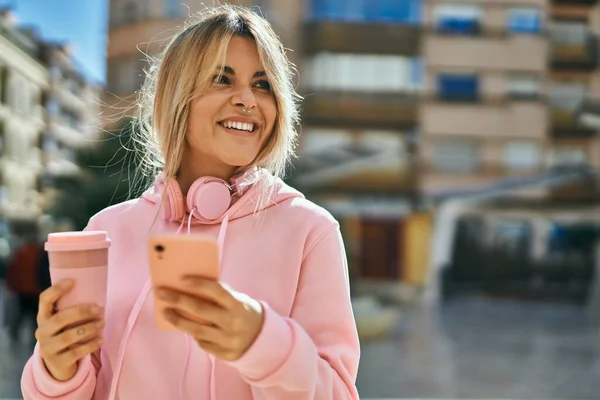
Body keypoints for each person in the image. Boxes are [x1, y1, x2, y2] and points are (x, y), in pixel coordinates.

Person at [21, 5, 360, 400]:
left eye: (263, 84)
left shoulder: (310, 230)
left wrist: (263, 342)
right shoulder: (106, 229)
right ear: (176, 94)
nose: (248, 99)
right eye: (222, 79)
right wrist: (55, 371)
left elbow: (337, 393)